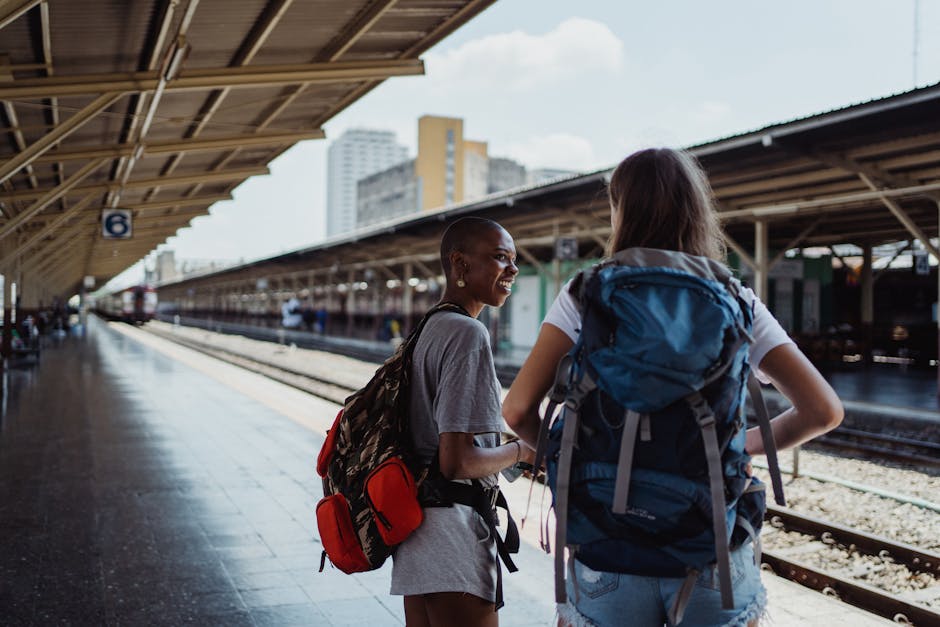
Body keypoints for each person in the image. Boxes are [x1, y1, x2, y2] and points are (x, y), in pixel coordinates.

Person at [502, 148, 844, 627]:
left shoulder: (586, 294)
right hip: (708, 550)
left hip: (606, 543)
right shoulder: (735, 297)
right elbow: (823, 410)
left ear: (621, 209)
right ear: (696, 210)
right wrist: (738, 449)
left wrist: (568, 456)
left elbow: (517, 411)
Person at [390, 216, 534, 627]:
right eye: (500, 257)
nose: (513, 269)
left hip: (418, 530)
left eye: (514, 259)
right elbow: (458, 461)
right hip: (451, 534)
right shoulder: (468, 334)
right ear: (459, 266)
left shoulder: (429, 327)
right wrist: (520, 450)